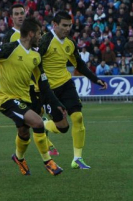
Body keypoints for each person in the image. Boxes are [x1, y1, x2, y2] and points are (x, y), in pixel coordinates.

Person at [0, 18, 67, 176]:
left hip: (24, 100)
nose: (41, 37)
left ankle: (18, 158)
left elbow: (43, 84)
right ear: (31, 34)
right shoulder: (9, 49)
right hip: (7, 100)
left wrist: (57, 103)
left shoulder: (36, 56)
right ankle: (48, 162)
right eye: (39, 34)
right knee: (37, 122)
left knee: (24, 133)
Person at [38, 11, 107, 169]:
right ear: (55, 25)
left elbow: (80, 65)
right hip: (48, 90)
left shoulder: (70, 43)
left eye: (69, 25)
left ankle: (77, 158)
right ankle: (45, 125)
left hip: (66, 84)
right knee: (62, 128)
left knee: (78, 117)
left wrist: (95, 79)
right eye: (64, 25)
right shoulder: (45, 41)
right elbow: (34, 62)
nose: (67, 28)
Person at [2, 3, 58, 156]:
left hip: (37, 83)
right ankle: (44, 148)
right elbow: (5, 59)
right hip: (22, 87)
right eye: (16, 14)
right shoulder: (9, 36)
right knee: (29, 123)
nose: (20, 16)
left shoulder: (34, 34)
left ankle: (44, 145)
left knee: (36, 116)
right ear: (11, 17)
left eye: (22, 13)